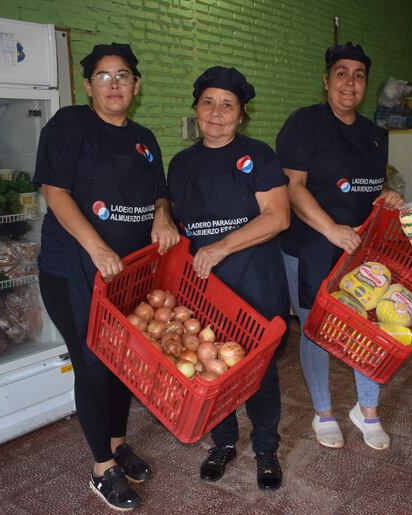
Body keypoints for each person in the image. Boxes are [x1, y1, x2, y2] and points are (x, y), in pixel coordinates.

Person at [34, 43, 180, 510]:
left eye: (123, 75)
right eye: (103, 76)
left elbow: (160, 194)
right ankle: (102, 469)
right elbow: (55, 192)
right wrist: (96, 246)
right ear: (88, 85)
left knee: (123, 364)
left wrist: (162, 215)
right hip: (73, 267)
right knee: (94, 364)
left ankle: (117, 444)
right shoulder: (69, 126)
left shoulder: (145, 138)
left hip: (128, 272)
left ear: (137, 86)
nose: (114, 84)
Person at [167, 66, 291, 490]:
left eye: (227, 105)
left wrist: (221, 246)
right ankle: (222, 442)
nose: (216, 113)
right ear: (196, 109)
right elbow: (177, 221)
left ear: (240, 115)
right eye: (208, 102)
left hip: (254, 279)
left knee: (259, 371)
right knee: (210, 364)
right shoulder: (181, 164)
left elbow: (278, 216)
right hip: (205, 288)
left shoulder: (258, 155)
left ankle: (265, 447)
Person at [276, 42, 404, 451]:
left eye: (359, 75)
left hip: (357, 249)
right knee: (315, 329)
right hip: (308, 246)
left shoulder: (374, 134)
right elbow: (292, 187)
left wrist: (388, 196)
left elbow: (370, 187)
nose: (350, 82)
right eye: (341, 73)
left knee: (366, 325)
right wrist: (330, 228)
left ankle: (367, 410)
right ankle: (324, 412)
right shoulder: (304, 124)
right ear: (326, 80)